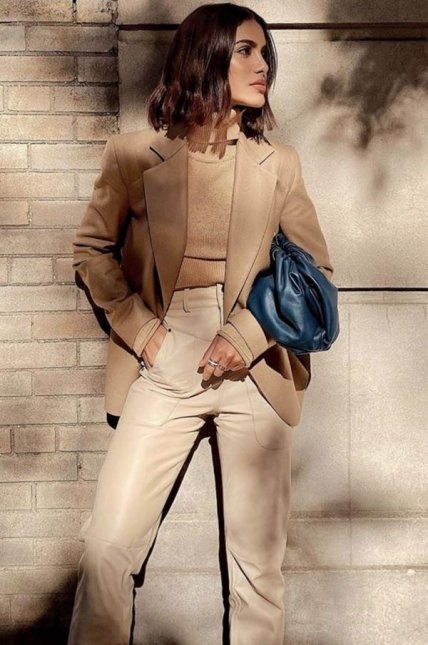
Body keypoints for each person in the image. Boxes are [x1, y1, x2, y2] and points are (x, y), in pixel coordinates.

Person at [67, 3, 334, 644]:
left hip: (256, 363)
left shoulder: (279, 164)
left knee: (257, 572)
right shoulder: (134, 155)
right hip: (165, 356)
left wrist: (245, 337)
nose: (263, 65)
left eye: (265, 53)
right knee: (107, 546)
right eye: (246, 50)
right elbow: (91, 251)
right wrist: (147, 336)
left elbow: (317, 272)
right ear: (205, 56)